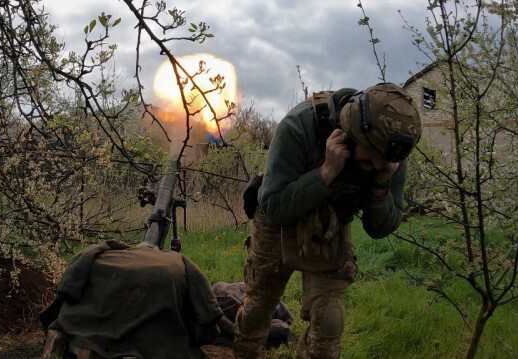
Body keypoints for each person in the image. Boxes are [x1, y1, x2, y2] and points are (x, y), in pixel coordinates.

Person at [233, 82, 422, 359]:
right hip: (281, 216)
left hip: (331, 222)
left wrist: (380, 186)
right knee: (258, 307)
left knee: (330, 319)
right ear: (349, 138)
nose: (376, 169)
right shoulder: (298, 127)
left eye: (383, 166)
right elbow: (273, 207)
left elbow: (380, 228)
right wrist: (325, 173)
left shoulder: (390, 150)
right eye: (369, 163)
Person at [39, 239, 223, 359]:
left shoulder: (92, 257)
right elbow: (208, 322)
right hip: (158, 351)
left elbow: (64, 295)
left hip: (81, 345)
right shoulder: (179, 264)